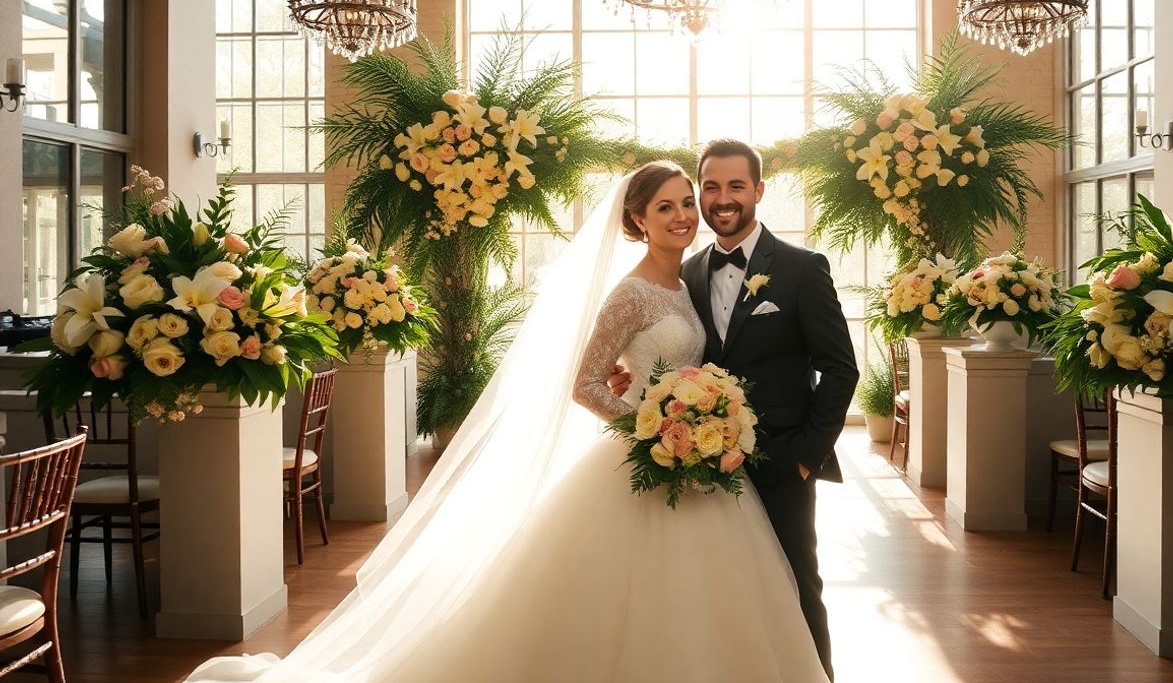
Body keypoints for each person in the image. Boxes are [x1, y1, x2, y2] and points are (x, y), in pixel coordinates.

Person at [186, 162, 829, 682]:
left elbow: (685, 362)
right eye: (667, 205)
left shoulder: (689, 280)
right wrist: (650, 427)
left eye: (688, 202)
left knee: (726, 596)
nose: (686, 214)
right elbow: (582, 382)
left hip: (706, 464)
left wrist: (682, 408)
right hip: (651, 456)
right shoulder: (629, 291)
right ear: (636, 219)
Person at [612, 139, 857, 679]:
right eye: (712, 187)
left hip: (781, 462)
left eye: (736, 186)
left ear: (759, 191)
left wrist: (805, 457)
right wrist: (631, 378)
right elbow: (676, 354)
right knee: (719, 595)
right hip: (699, 467)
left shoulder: (801, 268)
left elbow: (841, 369)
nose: (723, 199)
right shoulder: (688, 273)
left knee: (797, 585)